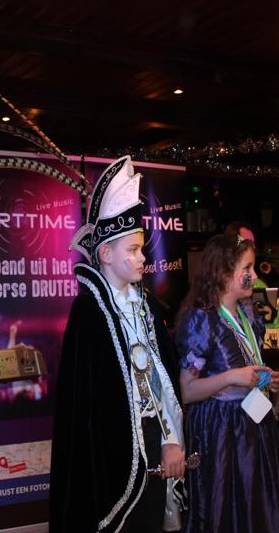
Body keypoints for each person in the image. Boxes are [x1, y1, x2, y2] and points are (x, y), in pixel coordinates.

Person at [50, 156, 185, 533]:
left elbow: (162, 382)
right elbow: (84, 411)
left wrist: (170, 438)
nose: (143, 258)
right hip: (110, 457)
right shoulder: (88, 313)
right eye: (134, 250)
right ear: (105, 254)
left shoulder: (147, 307)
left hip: (153, 440)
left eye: (142, 249)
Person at [176, 233, 279, 533]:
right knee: (226, 509)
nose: (254, 277)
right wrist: (232, 377)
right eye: (248, 268)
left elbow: (248, 363)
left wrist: (267, 380)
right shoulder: (202, 321)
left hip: (255, 426)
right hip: (220, 433)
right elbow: (187, 391)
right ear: (224, 273)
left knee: (259, 509)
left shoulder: (248, 316)